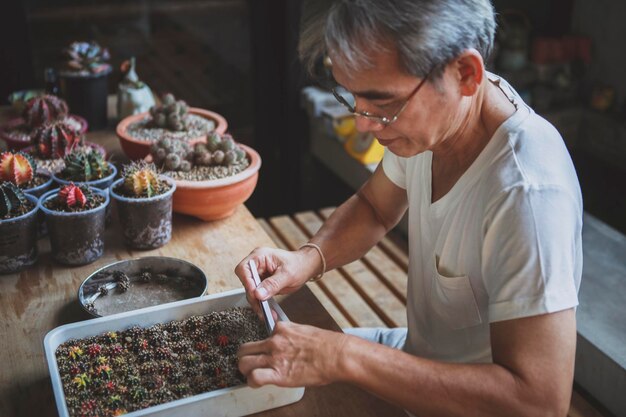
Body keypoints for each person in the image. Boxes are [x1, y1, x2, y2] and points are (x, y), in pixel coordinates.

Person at [235, 1, 582, 416]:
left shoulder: (528, 194)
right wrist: (306, 259)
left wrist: (344, 356)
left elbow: (538, 403)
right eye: (354, 98)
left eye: (382, 103)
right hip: (416, 357)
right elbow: (375, 207)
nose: (364, 123)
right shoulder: (437, 118)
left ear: (465, 74)